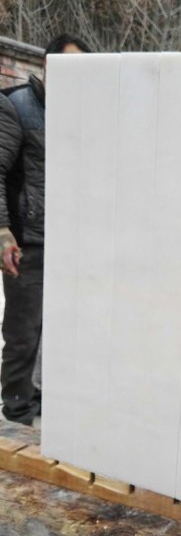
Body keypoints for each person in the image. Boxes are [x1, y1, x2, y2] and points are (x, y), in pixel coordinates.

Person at [0, 33, 91, 425]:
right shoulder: (16, 106)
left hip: (68, 242)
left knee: (59, 329)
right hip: (28, 240)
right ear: (48, 66)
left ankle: (37, 395)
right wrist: (3, 232)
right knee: (23, 329)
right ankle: (16, 407)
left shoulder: (80, 115)